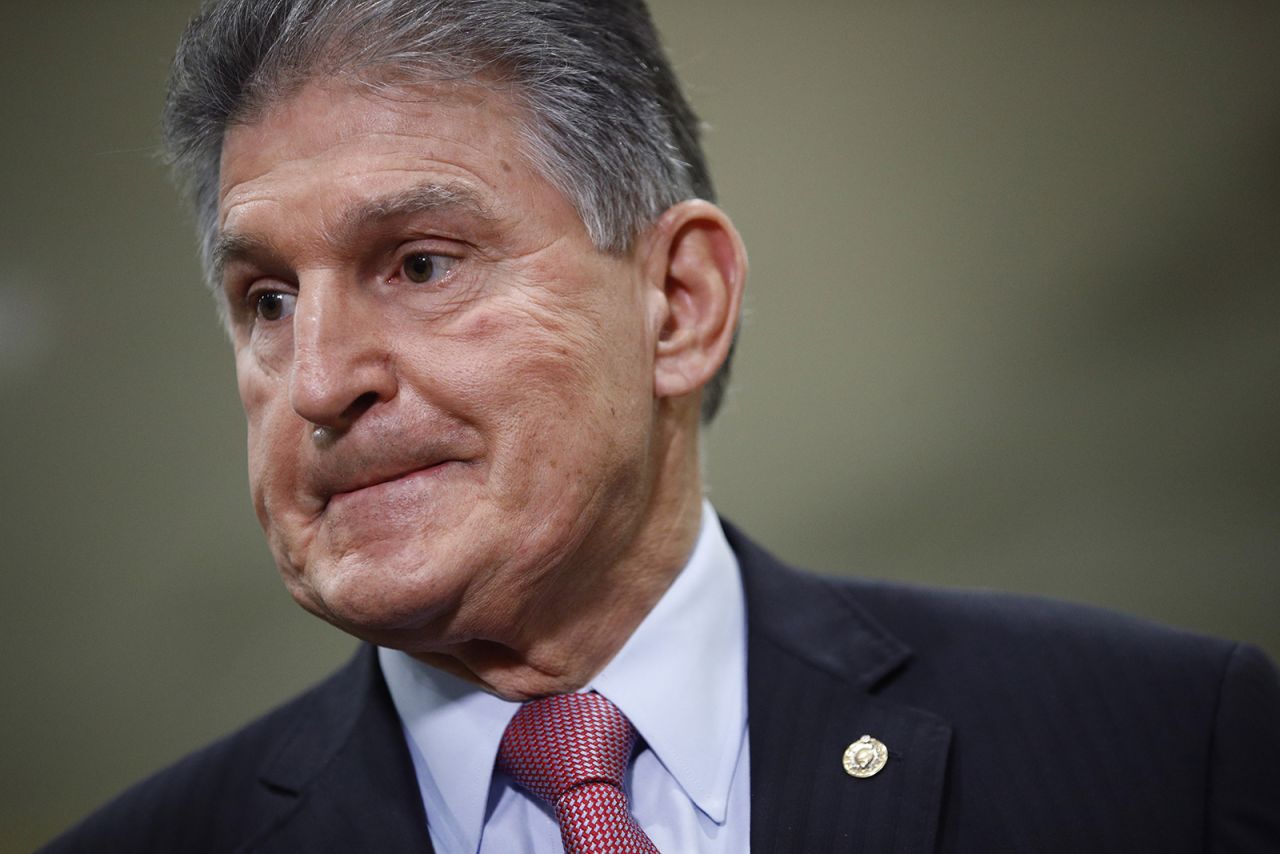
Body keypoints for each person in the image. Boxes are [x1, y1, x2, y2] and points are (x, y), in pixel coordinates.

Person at [44, 1, 1280, 851]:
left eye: (419, 263)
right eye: (266, 299)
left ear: (678, 303)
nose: (318, 382)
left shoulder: (1165, 748)